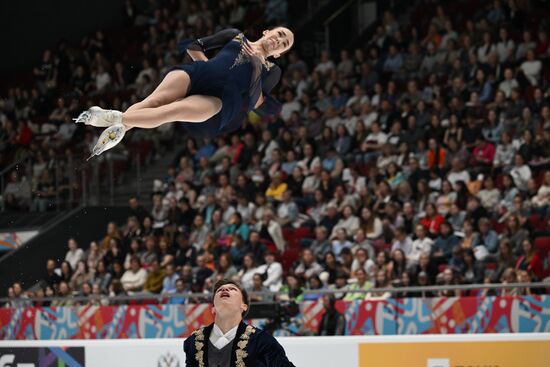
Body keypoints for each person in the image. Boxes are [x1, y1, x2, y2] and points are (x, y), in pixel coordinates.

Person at [75, 27, 294, 159]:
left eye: (283, 44)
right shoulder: (236, 36)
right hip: (200, 73)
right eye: (280, 34)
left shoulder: (272, 70)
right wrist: (209, 68)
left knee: (171, 111)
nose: (279, 40)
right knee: (154, 101)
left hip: (220, 98)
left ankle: (114, 118)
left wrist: (256, 65)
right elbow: (195, 46)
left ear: (280, 53)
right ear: (268, 31)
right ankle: (118, 128)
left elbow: (256, 101)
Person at [183, 279, 295, 367]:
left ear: (244, 306)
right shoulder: (194, 341)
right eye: (219, 290)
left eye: (232, 289)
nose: (224, 289)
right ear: (213, 308)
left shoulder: (261, 340)